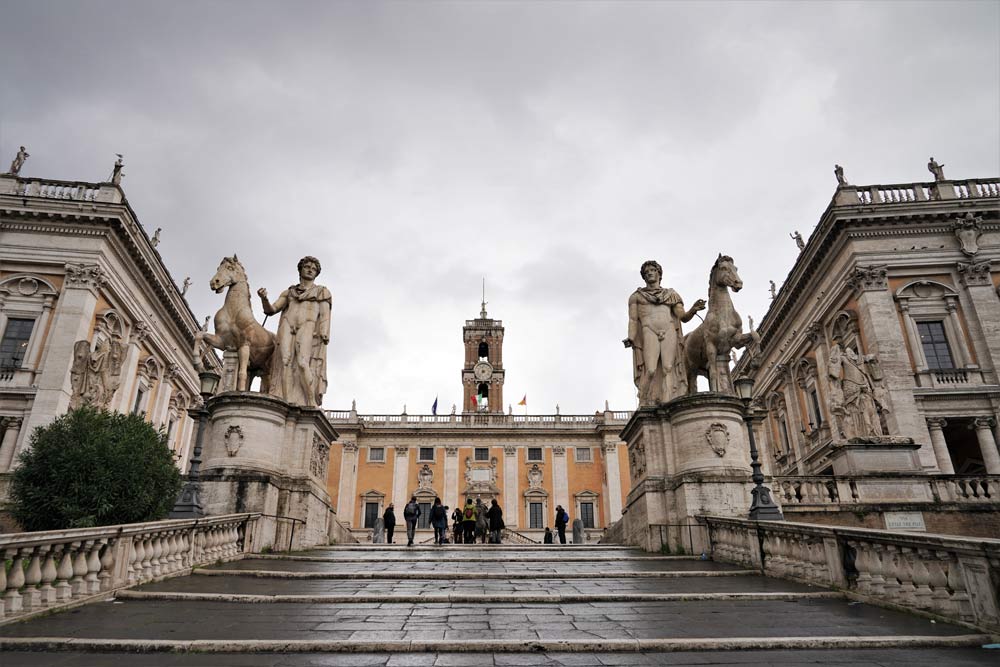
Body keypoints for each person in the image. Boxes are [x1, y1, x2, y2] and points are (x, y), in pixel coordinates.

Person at [625, 260, 705, 406]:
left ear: (659, 274)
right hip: (649, 330)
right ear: (644, 276)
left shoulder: (671, 294)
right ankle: (644, 401)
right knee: (650, 370)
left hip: (668, 330)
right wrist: (631, 337)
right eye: (647, 271)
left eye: (653, 270)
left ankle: (668, 403)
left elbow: (683, 317)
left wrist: (693, 309)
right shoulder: (636, 296)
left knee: (669, 368)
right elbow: (633, 320)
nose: (650, 272)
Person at [257, 256, 332, 407]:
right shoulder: (289, 292)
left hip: (307, 326)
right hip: (287, 323)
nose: (310, 270)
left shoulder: (321, 292)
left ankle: (310, 400)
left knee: (303, 362)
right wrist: (264, 298)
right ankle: (286, 400)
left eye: (313, 269)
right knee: (285, 362)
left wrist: (324, 333)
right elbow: (271, 310)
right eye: (307, 267)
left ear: (316, 273)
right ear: (301, 269)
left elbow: (325, 315)